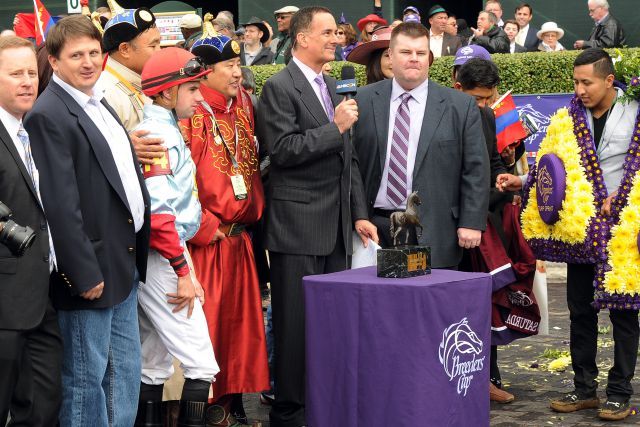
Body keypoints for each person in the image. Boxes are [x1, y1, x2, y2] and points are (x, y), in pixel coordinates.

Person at [498, 48, 639, 422]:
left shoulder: (636, 110)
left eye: (586, 82)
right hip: (581, 234)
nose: (579, 89)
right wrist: (521, 180)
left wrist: (623, 196)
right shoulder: (566, 118)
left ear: (610, 80)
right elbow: (552, 168)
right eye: (575, 82)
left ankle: (620, 392)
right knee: (580, 311)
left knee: (625, 314)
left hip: (624, 229)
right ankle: (584, 388)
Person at [24, 15, 151, 426]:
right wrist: (82, 272)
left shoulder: (98, 101)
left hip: (123, 262)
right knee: (85, 381)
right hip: (90, 274)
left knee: (124, 374)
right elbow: (60, 205)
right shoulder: (48, 114)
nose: (88, 62)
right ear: (55, 62)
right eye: (76, 55)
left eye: (94, 53)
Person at [257, 6, 378, 426]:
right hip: (299, 227)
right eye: (327, 32)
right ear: (302, 37)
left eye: (337, 32)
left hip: (340, 228)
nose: (336, 38)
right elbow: (283, 151)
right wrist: (335, 128)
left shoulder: (335, 83)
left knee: (332, 326)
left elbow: (352, 159)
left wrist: (360, 213)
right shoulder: (278, 86)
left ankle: (327, 405)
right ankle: (290, 412)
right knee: (295, 328)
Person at [186, 28, 270, 426]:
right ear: (204, 72)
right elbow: (179, 178)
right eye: (230, 66)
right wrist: (203, 225)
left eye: (239, 64)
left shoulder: (244, 105)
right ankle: (205, 407)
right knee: (211, 326)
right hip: (208, 242)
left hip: (241, 240)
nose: (238, 73)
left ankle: (232, 402)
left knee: (241, 328)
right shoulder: (190, 112)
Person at [132, 46, 219, 427]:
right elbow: (160, 212)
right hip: (164, 258)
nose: (201, 98)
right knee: (201, 361)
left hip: (161, 255)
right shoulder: (158, 135)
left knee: (153, 362)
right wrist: (183, 270)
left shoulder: (161, 128)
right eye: (193, 89)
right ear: (167, 92)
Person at [354, 22, 489, 260]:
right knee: (378, 297)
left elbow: (476, 168)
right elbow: (351, 165)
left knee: (431, 298)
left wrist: (471, 221)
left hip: (437, 230)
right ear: (391, 57)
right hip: (375, 231)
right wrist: (358, 215)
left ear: (430, 58)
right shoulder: (363, 100)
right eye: (406, 52)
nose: (414, 59)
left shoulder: (460, 105)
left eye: (421, 53)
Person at [454, 57, 538, 405]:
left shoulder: (487, 116)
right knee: (456, 302)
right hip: (450, 224)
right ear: (458, 88)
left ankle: (488, 375)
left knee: (488, 297)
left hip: (485, 223)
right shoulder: (441, 112)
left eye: (489, 98)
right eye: (477, 99)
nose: (484, 106)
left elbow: (490, 161)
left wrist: (503, 177)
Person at [0, 35, 62, 427]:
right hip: (4, 305)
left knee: (44, 405)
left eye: (30, 72)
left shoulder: (34, 130)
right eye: (14, 74)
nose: (27, 81)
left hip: (43, 296)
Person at [101, 6, 160, 131]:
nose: (159, 52)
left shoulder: (142, 81)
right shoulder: (106, 92)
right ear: (125, 49)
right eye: (153, 46)